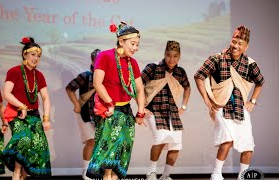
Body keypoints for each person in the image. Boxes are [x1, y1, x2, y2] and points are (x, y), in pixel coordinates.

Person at [194, 25, 265, 180]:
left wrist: (252, 101)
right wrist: (207, 100)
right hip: (221, 106)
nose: (236, 46)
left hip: (240, 108)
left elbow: (260, 82)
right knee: (226, 140)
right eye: (234, 42)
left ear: (246, 47)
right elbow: (199, 76)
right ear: (231, 41)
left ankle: (242, 176)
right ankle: (216, 173)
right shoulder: (217, 59)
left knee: (247, 146)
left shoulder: (250, 63)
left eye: (240, 44)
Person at [86, 21, 146, 180]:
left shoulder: (132, 63)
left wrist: (140, 112)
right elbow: (97, 83)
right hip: (108, 111)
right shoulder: (105, 56)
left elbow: (140, 90)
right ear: (121, 41)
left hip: (126, 112)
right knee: (108, 154)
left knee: (122, 151)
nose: (136, 48)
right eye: (133, 44)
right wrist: (110, 103)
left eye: (137, 44)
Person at [2, 37, 52, 180]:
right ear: (24, 54)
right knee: (24, 140)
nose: (36, 58)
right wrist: (21, 106)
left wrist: (46, 118)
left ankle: (22, 174)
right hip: (17, 115)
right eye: (33, 54)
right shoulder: (14, 71)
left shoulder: (39, 75)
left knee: (38, 145)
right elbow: (6, 93)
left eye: (38, 56)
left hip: (34, 115)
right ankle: (17, 173)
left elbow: (45, 97)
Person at [142, 41, 191, 180]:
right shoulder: (153, 67)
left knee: (175, 145)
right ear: (164, 54)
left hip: (173, 112)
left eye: (175, 56)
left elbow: (187, 88)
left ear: (179, 56)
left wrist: (184, 106)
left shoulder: (180, 72)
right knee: (160, 140)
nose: (171, 59)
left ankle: (165, 176)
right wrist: (142, 107)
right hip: (154, 111)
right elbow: (137, 84)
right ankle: (151, 174)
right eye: (169, 55)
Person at [66, 48, 101, 180]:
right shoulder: (85, 76)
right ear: (92, 61)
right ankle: (86, 171)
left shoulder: (105, 77)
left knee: (98, 142)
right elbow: (69, 88)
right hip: (85, 114)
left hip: (100, 115)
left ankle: (94, 170)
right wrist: (76, 104)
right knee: (91, 141)